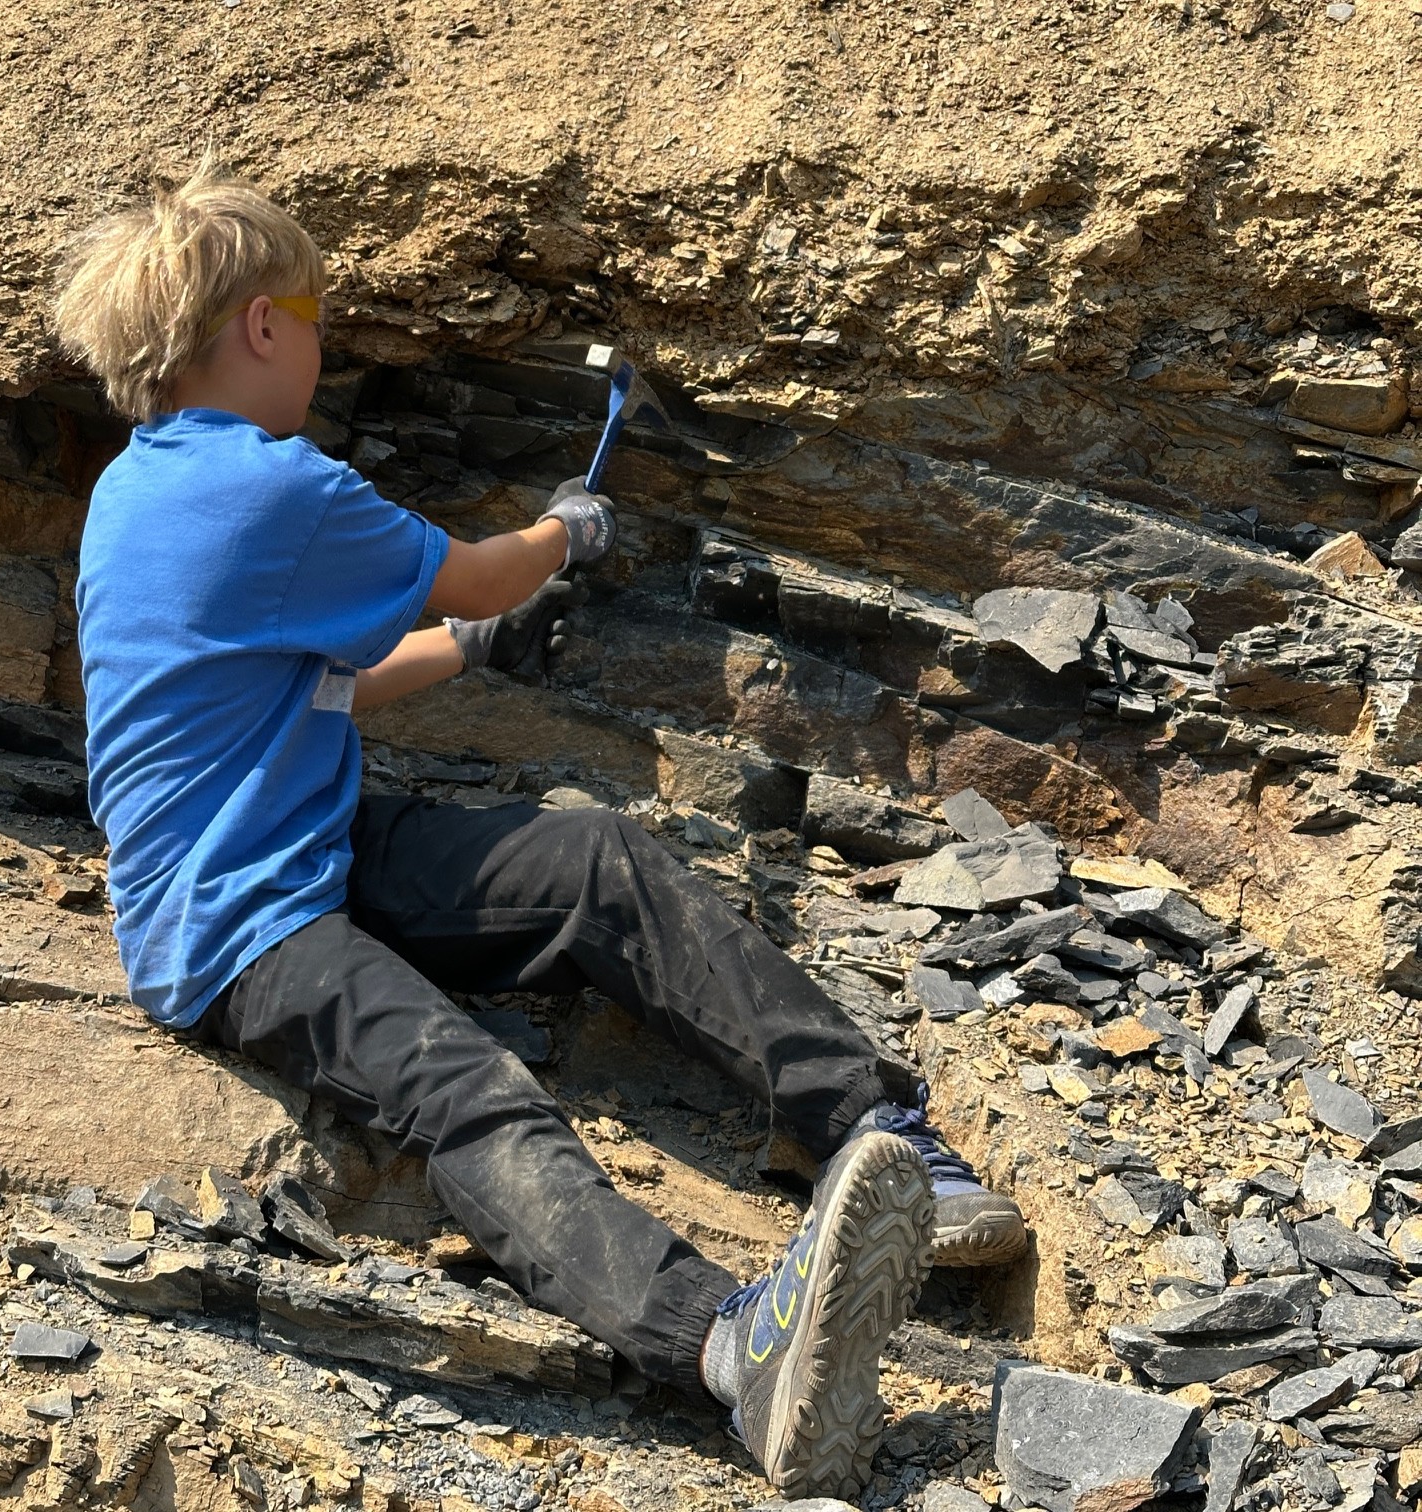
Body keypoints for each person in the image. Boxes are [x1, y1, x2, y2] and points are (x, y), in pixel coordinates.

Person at [53, 159, 1027, 1501]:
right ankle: (731, 1349)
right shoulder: (267, 486)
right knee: (467, 1090)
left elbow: (328, 678)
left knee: (594, 861)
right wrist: (557, 537)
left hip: (310, 842)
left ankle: (877, 1133)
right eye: (317, 310)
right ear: (260, 325)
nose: (324, 344)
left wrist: (461, 644)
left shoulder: (142, 491)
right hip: (232, 925)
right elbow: (478, 563)